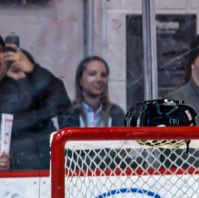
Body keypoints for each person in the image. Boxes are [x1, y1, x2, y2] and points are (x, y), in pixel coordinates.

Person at [0, 34, 71, 171]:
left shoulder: (35, 93)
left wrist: (33, 71)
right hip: (11, 181)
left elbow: (61, 104)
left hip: (43, 172)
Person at [59, 55, 125, 128]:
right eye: (92, 74)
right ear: (80, 79)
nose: (99, 79)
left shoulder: (116, 113)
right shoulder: (68, 114)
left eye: (103, 75)